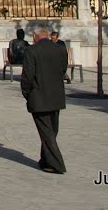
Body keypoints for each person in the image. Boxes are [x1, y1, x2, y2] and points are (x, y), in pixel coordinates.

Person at [21, 25, 68, 174]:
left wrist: (27, 93)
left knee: (47, 132)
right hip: (56, 96)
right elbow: (63, 69)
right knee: (51, 131)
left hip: (39, 97)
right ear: (47, 35)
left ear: (35, 36)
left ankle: (57, 165)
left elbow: (27, 76)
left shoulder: (31, 51)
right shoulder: (60, 49)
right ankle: (45, 161)